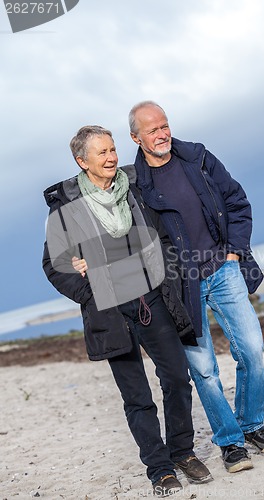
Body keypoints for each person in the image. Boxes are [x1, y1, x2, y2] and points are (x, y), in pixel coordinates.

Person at [42, 125, 212, 497]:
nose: (111, 157)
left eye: (113, 149)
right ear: (81, 161)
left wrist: (166, 273)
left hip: (152, 299)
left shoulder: (134, 189)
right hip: (109, 311)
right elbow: (55, 265)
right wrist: (89, 291)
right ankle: (160, 468)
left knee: (177, 379)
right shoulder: (66, 210)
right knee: (137, 396)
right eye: (101, 153)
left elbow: (163, 235)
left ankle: (182, 452)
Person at [127, 101, 264, 474]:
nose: (162, 134)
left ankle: (252, 424)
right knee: (206, 370)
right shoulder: (134, 183)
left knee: (252, 350)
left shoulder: (197, 157)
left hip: (224, 270)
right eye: (153, 130)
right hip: (182, 286)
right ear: (136, 137)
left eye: (164, 125)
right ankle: (230, 442)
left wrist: (234, 250)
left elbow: (236, 200)